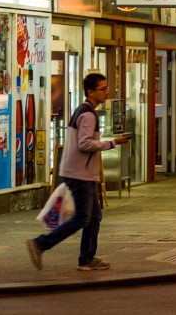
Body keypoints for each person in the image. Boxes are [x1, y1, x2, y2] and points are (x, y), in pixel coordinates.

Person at [27, 72, 125, 273]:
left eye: (106, 88)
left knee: (94, 216)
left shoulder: (84, 110)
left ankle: (86, 258)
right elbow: (84, 143)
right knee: (83, 217)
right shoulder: (88, 113)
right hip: (80, 173)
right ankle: (41, 244)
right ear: (90, 91)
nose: (106, 92)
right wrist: (112, 142)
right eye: (103, 89)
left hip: (81, 172)